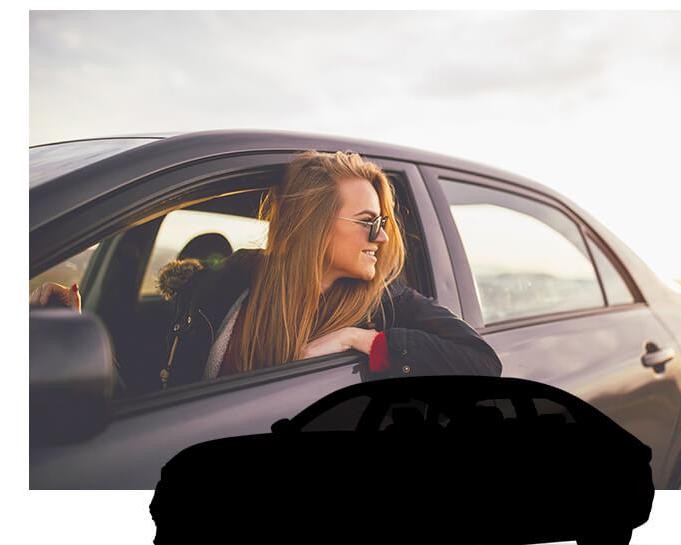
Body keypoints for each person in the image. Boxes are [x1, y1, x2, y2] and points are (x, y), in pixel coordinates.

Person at [30, 150, 502, 391]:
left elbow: (482, 363)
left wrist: (359, 340)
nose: (381, 237)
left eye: (383, 223)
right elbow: (157, 401)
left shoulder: (388, 305)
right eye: (367, 223)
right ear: (312, 226)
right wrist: (72, 327)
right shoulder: (221, 287)